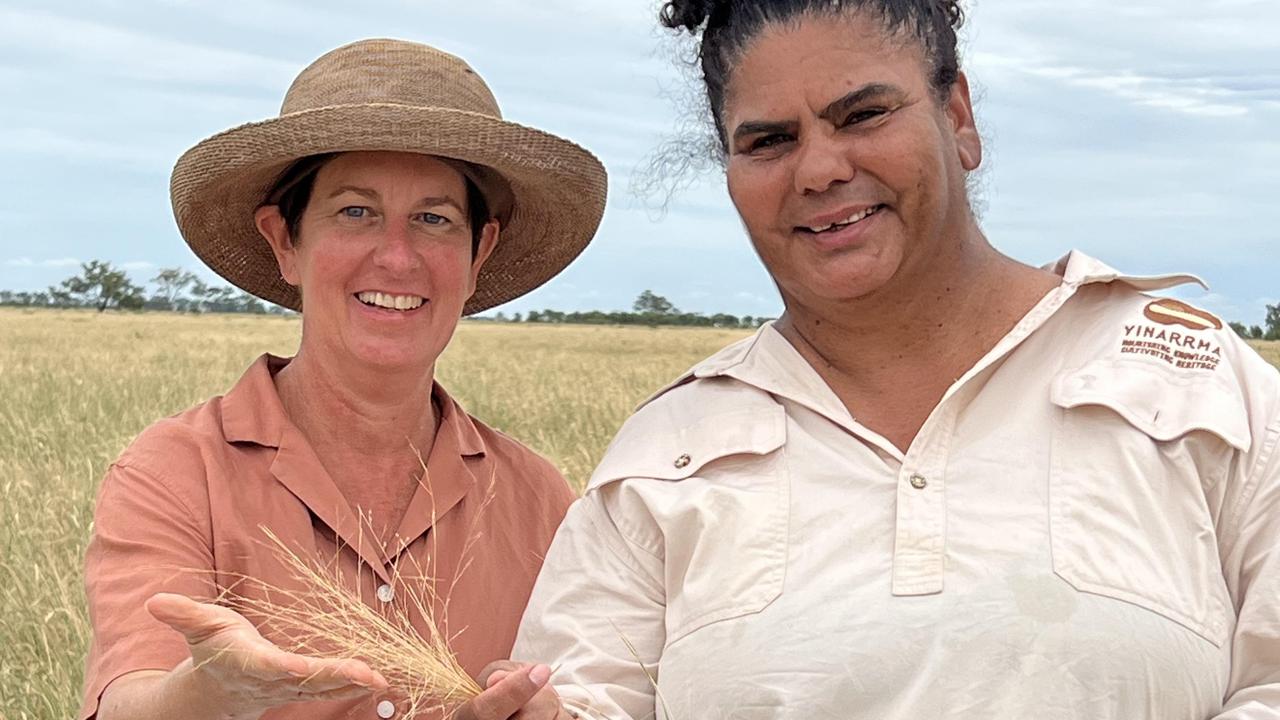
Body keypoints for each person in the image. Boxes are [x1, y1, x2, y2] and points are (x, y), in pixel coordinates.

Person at [511, 1, 1280, 718]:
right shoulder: (663, 458)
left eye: (864, 115)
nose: (818, 170)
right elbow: (581, 693)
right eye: (769, 141)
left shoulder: (1200, 383)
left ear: (959, 118)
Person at [79, 38, 605, 720]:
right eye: (354, 212)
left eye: (434, 219)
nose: (395, 257)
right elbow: (131, 698)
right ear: (284, 241)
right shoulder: (177, 473)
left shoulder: (538, 498)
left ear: (481, 252)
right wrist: (208, 693)